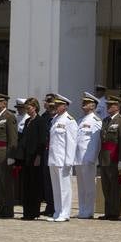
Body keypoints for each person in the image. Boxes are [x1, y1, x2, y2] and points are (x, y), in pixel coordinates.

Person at [47, 94, 78, 222]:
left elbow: (71, 142)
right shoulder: (55, 119)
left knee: (64, 187)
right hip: (54, 158)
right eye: (55, 105)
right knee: (56, 187)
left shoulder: (70, 121)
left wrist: (69, 161)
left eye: (58, 105)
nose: (56, 107)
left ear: (65, 106)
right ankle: (57, 211)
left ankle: (65, 213)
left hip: (63, 160)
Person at [16, 97, 47, 220]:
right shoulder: (28, 121)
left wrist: (39, 156)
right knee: (26, 184)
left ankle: (34, 211)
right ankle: (26, 211)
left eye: (29, 108)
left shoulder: (40, 121)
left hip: (35, 156)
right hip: (27, 156)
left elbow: (42, 140)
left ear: (35, 107)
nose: (27, 111)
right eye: (26, 108)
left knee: (35, 184)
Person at [98, 95, 121, 221]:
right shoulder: (105, 120)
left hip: (115, 157)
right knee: (106, 187)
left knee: (115, 187)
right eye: (108, 105)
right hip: (104, 157)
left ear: (117, 107)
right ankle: (108, 211)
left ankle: (115, 212)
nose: (108, 107)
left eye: (111, 105)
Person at [74, 92, 102, 219]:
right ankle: (82, 209)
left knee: (89, 186)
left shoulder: (96, 121)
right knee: (81, 186)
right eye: (83, 103)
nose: (83, 105)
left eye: (86, 103)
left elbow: (96, 141)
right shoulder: (80, 120)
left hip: (88, 158)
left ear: (93, 106)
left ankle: (89, 210)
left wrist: (92, 158)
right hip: (79, 157)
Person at [40, 94, 56, 216]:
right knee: (46, 181)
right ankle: (49, 206)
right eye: (46, 101)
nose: (48, 104)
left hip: (56, 153)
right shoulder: (44, 116)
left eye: (50, 101)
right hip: (45, 152)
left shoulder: (59, 117)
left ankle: (56, 206)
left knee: (54, 181)